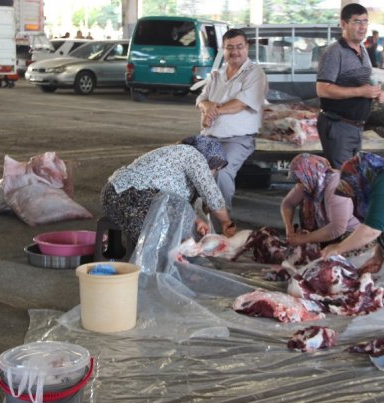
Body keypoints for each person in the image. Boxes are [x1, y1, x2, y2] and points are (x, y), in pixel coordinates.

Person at [101, 135, 237, 245]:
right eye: (215, 169)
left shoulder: (175, 154)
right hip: (133, 198)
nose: (213, 174)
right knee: (175, 232)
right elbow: (212, 196)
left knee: (183, 225)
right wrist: (226, 222)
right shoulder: (194, 156)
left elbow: (172, 201)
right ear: (209, 159)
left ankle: (169, 264)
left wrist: (196, 220)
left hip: (111, 197)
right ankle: (162, 271)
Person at [196, 28, 268, 230]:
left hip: (237, 139)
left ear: (247, 48)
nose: (235, 51)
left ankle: (222, 229)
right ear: (223, 49)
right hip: (207, 138)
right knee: (186, 167)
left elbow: (241, 103)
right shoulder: (216, 75)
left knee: (221, 172)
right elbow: (201, 99)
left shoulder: (255, 73)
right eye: (230, 47)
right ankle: (194, 224)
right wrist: (207, 107)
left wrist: (214, 110)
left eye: (240, 47)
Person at [315, 3, 384, 168]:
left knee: (351, 177)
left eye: (365, 21)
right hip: (339, 126)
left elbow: (364, 80)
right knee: (341, 179)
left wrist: (376, 91)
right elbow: (322, 89)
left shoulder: (362, 49)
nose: (362, 27)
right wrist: (361, 91)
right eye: (356, 22)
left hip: (356, 126)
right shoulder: (334, 52)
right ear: (343, 24)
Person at [280, 154, 361, 248]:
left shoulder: (336, 188)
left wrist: (302, 239)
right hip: (329, 229)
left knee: (329, 257)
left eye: (301, 181)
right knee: (306, 197)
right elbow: (287, 203)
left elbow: (338, 228)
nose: (299, 185)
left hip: (349, 233)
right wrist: (289, 227)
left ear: (309, 174)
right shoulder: (312, 180)